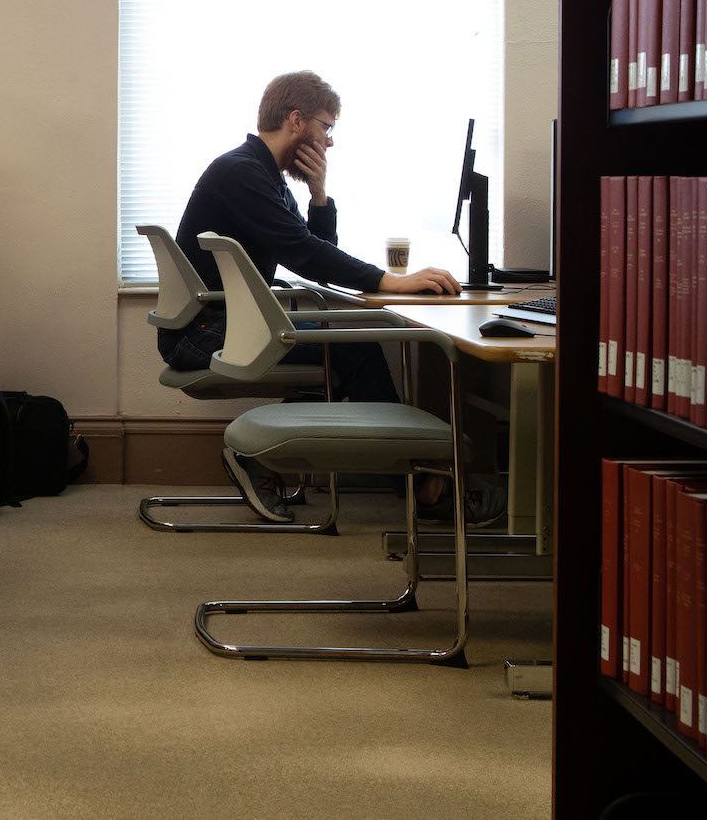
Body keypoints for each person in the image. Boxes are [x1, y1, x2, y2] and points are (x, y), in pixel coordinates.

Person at [158, 70, 501, 525]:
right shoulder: (241, 173)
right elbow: (304, 254)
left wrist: (319, 194)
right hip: (201, 331)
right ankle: (425, 487)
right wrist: (391, 281)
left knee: (347, 351)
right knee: (353, 352)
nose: (330, 141)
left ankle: (258, 457)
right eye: (327, 126)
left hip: (214, 323)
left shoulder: (262, 173)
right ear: (296, 120)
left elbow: (309, 247)